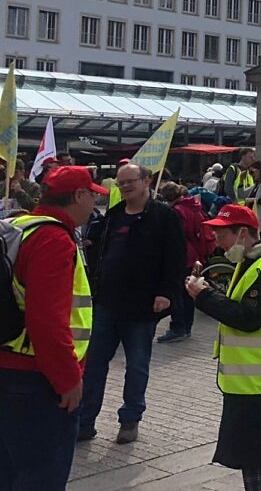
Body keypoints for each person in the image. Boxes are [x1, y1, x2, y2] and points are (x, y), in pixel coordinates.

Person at [0, 167, 102, 489]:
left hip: (8, 366)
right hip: (36, 380)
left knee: (9, 470)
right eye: (92, 194)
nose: (94, 202)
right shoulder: (54, 239)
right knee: (41, 476)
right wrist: (69, 379)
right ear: (77, 196)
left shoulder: (18, 226)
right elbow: (46, 322)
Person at [186, 204, 261, 491]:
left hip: (258, 380)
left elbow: (248, 318)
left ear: (243, 234)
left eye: (222, 236)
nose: (216, 242)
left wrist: (203, 297)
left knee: (255, 455)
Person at [77, 162, 184, 445]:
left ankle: (130, 419)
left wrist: (166, 293)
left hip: (142, 308)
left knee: (136, 366)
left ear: (146, 181)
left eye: (129, 182)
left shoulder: (164, 216)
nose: (124, 188)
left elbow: (175, 260)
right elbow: (99, 251)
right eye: (120, 184)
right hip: (106, 304)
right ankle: (85, 421)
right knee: (94, 365)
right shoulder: (113, 216)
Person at [157, 182, 213, 344]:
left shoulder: (177, 211)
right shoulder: (193, 206)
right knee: (188, 294)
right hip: (195, 255)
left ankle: (178, 328)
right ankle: (186, 327)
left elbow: (176, 236)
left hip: (183, 256)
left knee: (178, 293)